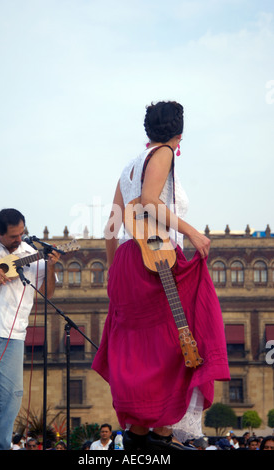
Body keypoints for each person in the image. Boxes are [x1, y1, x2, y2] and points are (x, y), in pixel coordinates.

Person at [92, 100, 230, 451]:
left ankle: (142, 434)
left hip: (126, 258)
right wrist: (194, 233)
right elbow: (152, 201)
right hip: (155, 259)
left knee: (141, 348)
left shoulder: (129, 166)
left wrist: (113, 271)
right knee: (183, 335)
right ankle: (163, 433)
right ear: (179, 133)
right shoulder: (165, 153)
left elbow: (111, 225)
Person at [0, 208, 60, 450]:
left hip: (14, 333)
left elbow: (49, 293)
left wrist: (51, 266)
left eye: (21, 233)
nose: (18, 240)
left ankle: (0, 446)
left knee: (12, 394)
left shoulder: (31, 254)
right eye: (13, 236)